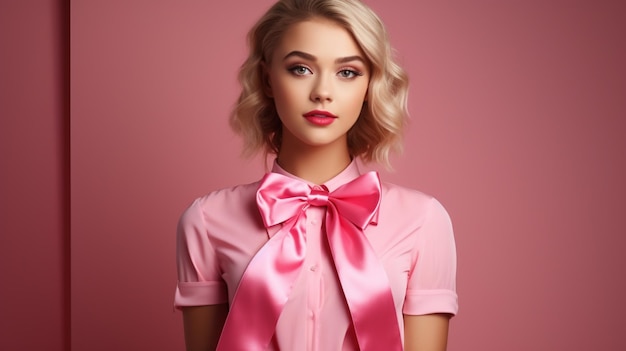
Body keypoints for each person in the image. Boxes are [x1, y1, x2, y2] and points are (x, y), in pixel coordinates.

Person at [174, 0, 458, 350]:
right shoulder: (206, 220)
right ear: (267, 79)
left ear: (370, 85)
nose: (322, 92)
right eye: (300, 69)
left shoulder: (423, 222)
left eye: (347, 72)